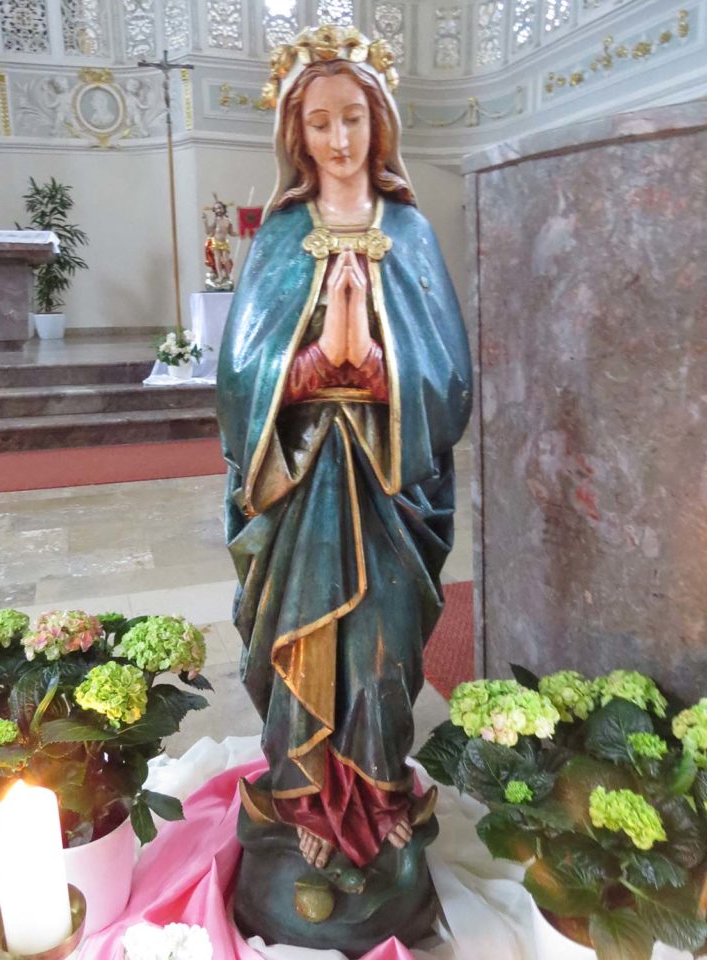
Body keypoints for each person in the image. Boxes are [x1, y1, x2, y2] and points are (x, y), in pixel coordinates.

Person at [217, 25, 471, 873]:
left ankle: (380, 788)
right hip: (300, 479)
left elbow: (449, 373)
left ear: (379, 123)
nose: (338, 140)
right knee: (303, 638)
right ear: (295, 133)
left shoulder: (411, 231)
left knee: (380, 649)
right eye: (319, 122)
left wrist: (375, 361)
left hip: (387, 482)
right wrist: (318, 359)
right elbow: (239, 375)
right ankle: (301, 797)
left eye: (353, 119)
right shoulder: (281, 236)